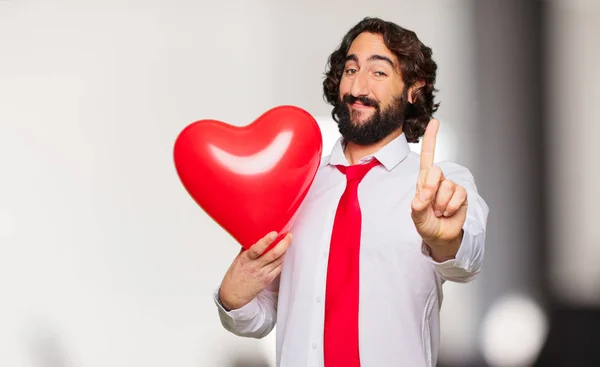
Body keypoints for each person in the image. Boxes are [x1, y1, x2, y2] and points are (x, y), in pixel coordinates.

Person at [213, 17, 489, 367]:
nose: (358, 87)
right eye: (350, 70)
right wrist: (233, 297)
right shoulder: (297, 187)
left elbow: (467, 261)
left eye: (378, 72)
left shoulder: (441, 183)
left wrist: (443, 239)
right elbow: (263, 316)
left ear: (413, 89)